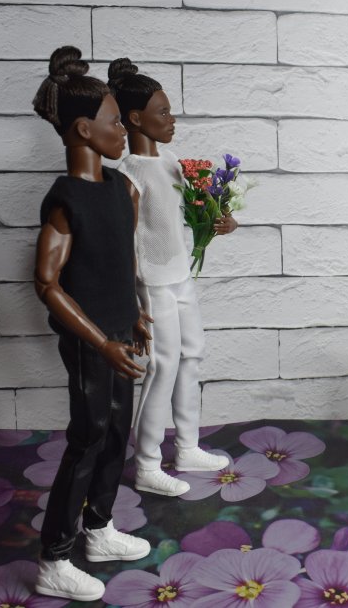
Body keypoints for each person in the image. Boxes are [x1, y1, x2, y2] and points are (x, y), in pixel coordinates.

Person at [32, 46, 151, 602]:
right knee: (88, 437)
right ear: (84, 129)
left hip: (121, 333)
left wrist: (135, 314)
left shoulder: (122, 189)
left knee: (117, 432)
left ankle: (99, 529)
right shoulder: (66, 199)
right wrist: (101, 342)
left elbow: (117, 262)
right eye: (114, 121)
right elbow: (47, 282)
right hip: (90, 342)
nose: (123, 130)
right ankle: (53, 558)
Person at [107, 58, 234, 497]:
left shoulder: (170, 160)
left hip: (181, 277)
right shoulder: (129, 174)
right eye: (162, 112)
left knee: (191, 356)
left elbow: (189, 214)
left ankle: (187, 448)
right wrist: (132, 302)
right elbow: (123, 242)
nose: (172, 119)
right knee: (162, 367)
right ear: (135, 118)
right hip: (153, 284)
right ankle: (146, 464)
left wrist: (220, 220)